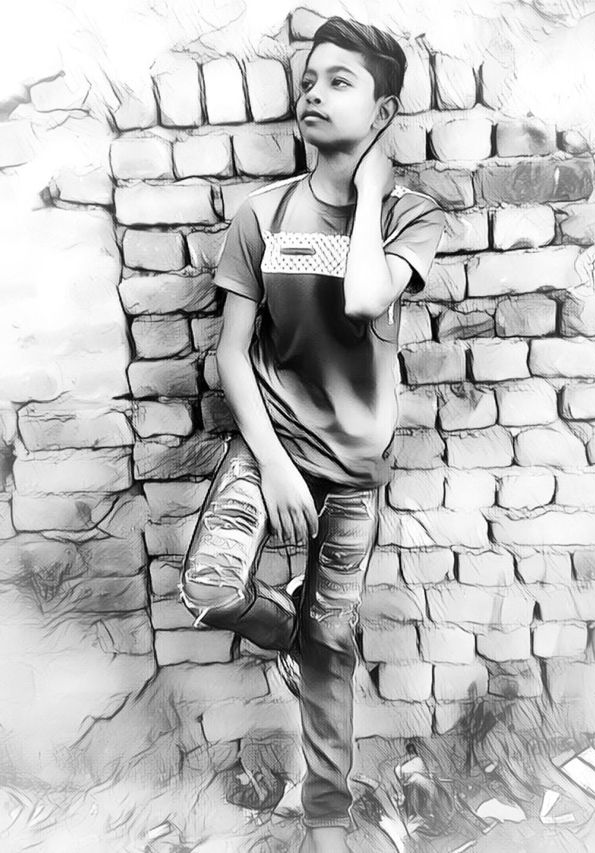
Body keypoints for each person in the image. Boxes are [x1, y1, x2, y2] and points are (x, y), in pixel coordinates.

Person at [177, 16, 445, 853]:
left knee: (332, 645)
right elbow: (231, 353)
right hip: (270, 445)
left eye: (339, 81)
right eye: (308, 80)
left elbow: (365, 299)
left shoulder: (411, 214)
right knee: (213, 589)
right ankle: (300, 632)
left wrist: (367, 195)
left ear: (384, 111)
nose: (314, 94)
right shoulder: (262, 214)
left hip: (355, 470)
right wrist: (273, 465)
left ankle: (327, 819)